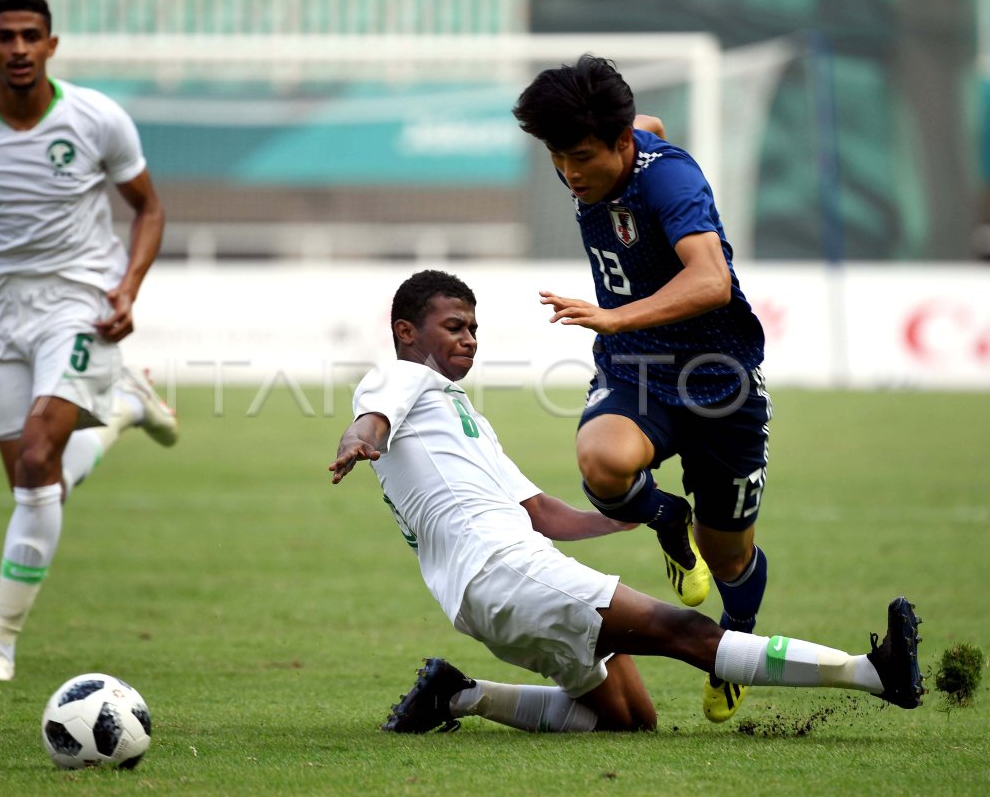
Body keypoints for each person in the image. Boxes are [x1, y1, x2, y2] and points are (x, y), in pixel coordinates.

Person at [329, 270, 922, 734]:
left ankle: (457, 695)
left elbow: (541, 513)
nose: (469, 338)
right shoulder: (402, 379)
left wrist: (634, 512)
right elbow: (372, 418)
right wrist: (360, 441)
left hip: (479, 593)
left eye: (474, 329)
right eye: (455, 326)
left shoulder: (461, 416)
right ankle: (873, 673)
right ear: (407, 332)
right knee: (687, 631)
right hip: (504, 571)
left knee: (631, 719)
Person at [0, 0, 177, 682]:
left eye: (32, 35)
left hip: (81, 304)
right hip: (1, 310)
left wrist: (127, 289)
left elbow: (148, 209)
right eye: (5, 36)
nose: (19, 48)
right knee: (35, 484)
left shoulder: (95, 117)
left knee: (35, 457)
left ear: (52, 45)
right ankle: (121, 410)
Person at [513, 55, 772, 722]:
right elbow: (647, 122)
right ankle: (666, 519)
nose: (571, 173)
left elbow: (711, 278)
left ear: (620, 145)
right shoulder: (616, 148)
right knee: (601, 461)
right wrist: (619, 333)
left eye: (582, 157)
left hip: (720, 382)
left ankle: (735, 641)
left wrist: (613, 314)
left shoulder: (671, 180)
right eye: (558, 157)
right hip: (635, 370)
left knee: (732, 556)